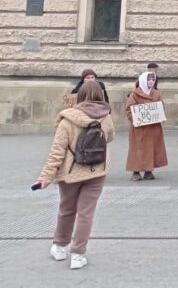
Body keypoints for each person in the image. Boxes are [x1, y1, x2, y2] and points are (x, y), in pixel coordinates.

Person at [35, 81, 115, 271]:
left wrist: (46, 176)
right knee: (86, 214)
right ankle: (78, 255)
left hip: (71, 172)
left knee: (66, 209)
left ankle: (59, 246)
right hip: (97, 170)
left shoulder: (67, 119)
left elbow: (57, 151)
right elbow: (109, 138)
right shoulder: (107, 117)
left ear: (79, 95)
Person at [125, 71, 167, 180]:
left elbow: (161, 107)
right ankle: (136, 171)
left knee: (152, 148)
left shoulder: (156, 93)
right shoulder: (134, 94)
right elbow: (129, 110)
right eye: (149, 79)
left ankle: (149, 170)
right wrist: (137, 119)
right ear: (143, 80)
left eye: (153, 79)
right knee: (138, 149)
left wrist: (159, 113)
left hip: (153, 127)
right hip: (139, 128)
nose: (151, 81)